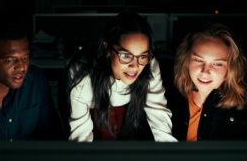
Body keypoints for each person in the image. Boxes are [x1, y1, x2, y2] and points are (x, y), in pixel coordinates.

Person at [66, 12, 177, 142]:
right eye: (125, 56)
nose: (134, 66)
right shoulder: (82, 75)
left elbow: (158, 114)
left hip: (127, 130)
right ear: (107, 48)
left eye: (142, 56)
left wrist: (169, 156)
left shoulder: (149, 64)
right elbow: (80, 137)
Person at [166, 22, 247, 141]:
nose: (205, 71)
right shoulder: (168, 100)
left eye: (217, 64)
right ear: (187, 61)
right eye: (198, 60)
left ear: (230, 69)